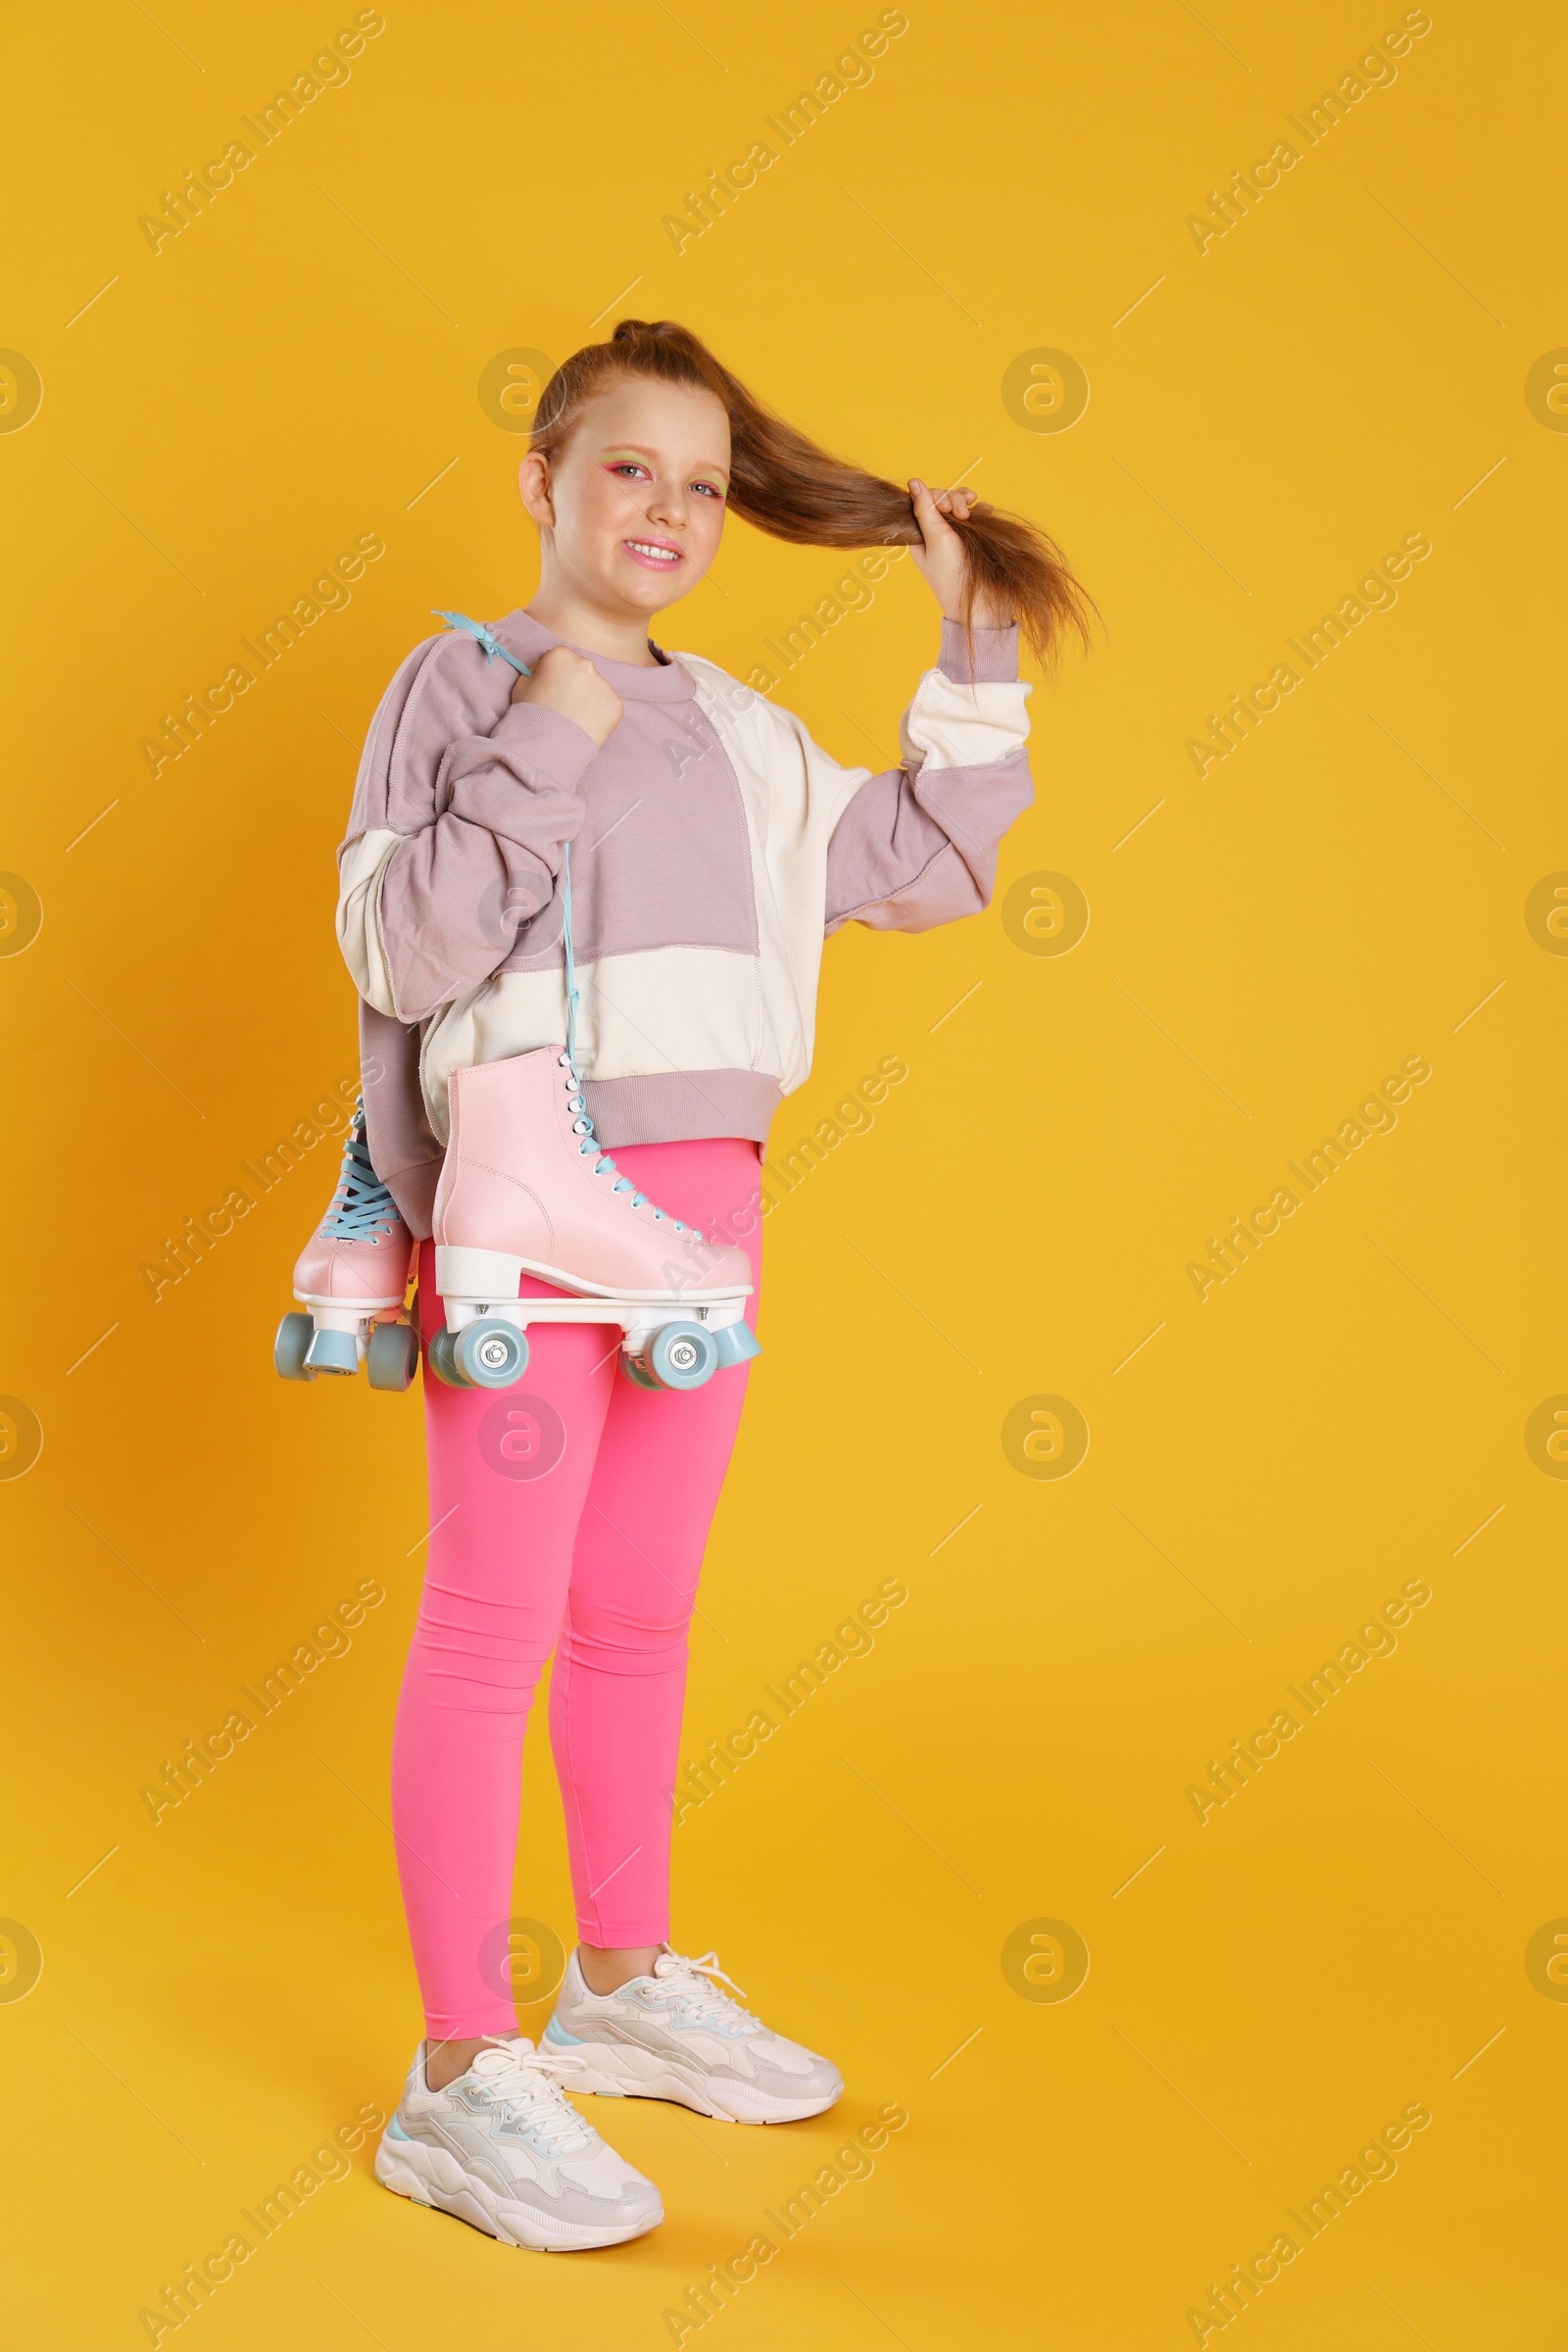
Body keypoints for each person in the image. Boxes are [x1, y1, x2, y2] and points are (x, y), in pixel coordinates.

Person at [332, 318, 1086, 2252]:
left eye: (697, 476)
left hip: (704, 1219)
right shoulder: (457, 682)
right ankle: (453, 2068)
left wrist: (973, 644)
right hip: (521, 1217)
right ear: (543, 484)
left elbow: (919, 863)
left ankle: (620, 1980)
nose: (664, 506)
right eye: (623, 467)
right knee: (492, 1617)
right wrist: (560, 714)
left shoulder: (748, 735)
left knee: (639, 1615)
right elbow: (412, 949)